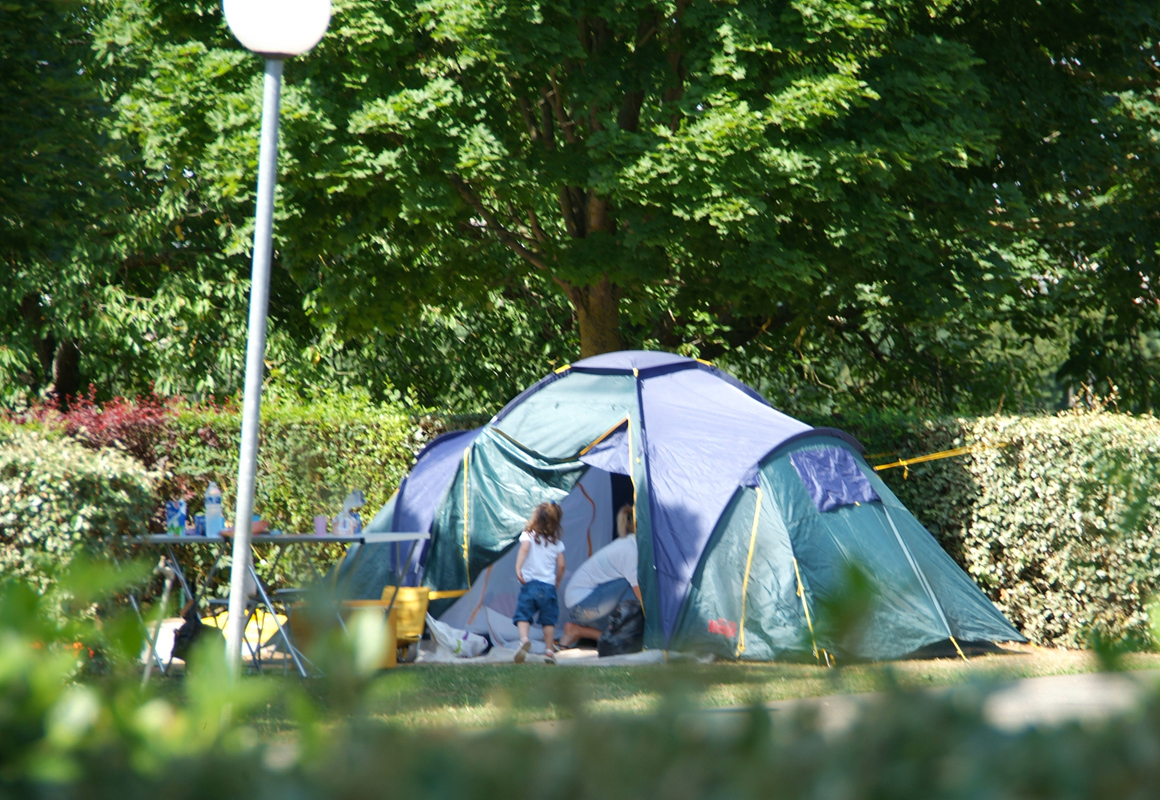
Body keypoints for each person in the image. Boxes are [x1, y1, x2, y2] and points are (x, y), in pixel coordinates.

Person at [558, 504, 642, 648]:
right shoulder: (630, 550)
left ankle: (577, 631)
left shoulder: (628, 544)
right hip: (583, 605)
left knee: (625, 638)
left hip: (584, 606)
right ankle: (617, 632)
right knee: (630, 586)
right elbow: (638, 593)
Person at [512, 501, 566, 663]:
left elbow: (525, 549)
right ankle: (549, 650)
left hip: (530, 585)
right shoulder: (557, 542)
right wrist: (557, 580)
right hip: (548, 587)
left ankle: (524, 640)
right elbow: (562, 565)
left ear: (535, 519)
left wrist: (518, 567)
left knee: (523, 614)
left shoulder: (528, 535)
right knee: (548, 620)